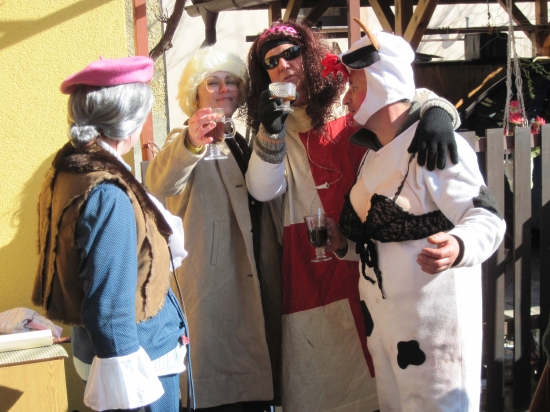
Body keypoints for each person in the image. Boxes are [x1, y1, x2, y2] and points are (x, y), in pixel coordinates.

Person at [243, 20, 462, 412]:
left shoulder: (348, 90)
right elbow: (263, 189)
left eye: (291, 53)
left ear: (309, 54)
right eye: (270, 61)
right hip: (317, 262)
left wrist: (438, 111)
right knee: (329, 381)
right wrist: (270, 130)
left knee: (398, 377)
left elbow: (400, 90)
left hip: (382, 250)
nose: (282, 65)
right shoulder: (277, 123)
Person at [328, 25, 506, 411]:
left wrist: (457, 245)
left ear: (383, 82)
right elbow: (382, 242)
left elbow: (487, 219)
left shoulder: (434, 144)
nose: (346, 98)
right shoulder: (373, 156)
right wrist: (344, 244)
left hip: (433, 336)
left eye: (354, 85)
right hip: (385, 332)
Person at [32, 56, 189, 412]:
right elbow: (109, 309)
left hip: (108, 352)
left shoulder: (68, 170)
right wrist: (130, 390)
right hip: (137, 362)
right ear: (129, 123)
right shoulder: (107, 192)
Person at [145, 46, 275, 411]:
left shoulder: (238, 137)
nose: (224, 89)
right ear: (195, 93)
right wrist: (191, 141)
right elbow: (158, 182)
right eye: (213, 82)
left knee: (250, 387)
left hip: (250, 273)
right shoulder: (184, 136)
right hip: (213, 284)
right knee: (218, 387)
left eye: (231, 81)